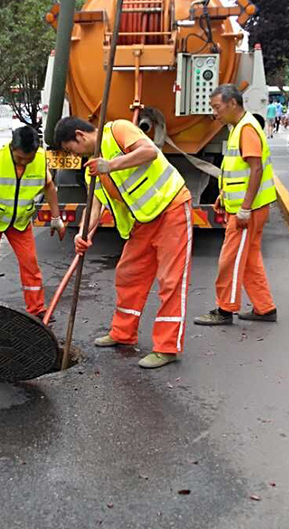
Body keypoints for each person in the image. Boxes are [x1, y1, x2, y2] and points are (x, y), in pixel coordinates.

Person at [54, 116, 193, 369]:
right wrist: (82, 233)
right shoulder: (92, 171)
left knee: (170, 280)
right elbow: (94, 207)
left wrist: (110, 165)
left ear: (80, 136)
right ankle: (123, 332)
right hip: (142, 221)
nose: (72, 155)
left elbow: (149, 151)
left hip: (171, 207)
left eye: (69, 148)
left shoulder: (118, 130)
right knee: (128, 274)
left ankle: (166, 348)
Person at [194, 84, 277, 327]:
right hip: (250, 208)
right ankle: (265, 308)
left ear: (232, 104)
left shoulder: (246, 129)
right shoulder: (239, 127)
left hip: (248, 211)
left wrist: (244, 209)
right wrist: (224, 194)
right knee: (249, 260)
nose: (215, 113)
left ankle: (225, 309)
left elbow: (256, 169)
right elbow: (237, 170)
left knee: (229, 261)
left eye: (217, 107)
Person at [0, 125, 64, 319]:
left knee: (30, 263)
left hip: (20, 221)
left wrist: (56, 218)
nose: (24, 163)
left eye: (28, 159)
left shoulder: (40, 158)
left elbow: (49, 187)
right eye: (19, 159)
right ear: (12, 148)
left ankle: (37, 309)